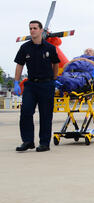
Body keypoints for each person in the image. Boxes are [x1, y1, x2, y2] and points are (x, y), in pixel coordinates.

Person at [13, 20, 60, 152]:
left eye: (34, 28)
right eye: (30, 28)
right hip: (31, 85)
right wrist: (16, 82)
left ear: (40, 30)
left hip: (46, 84)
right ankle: (28, 141)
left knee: (45, 115)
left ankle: (44, 143)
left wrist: (54, 79)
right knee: (26, 111)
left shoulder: (50, 48)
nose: (32, 30)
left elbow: (56, 63)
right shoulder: (25, 48)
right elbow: (19, 65)